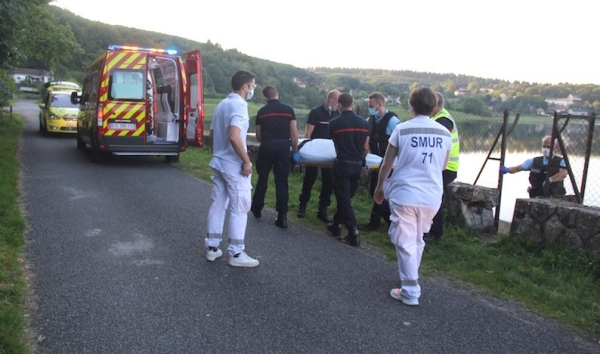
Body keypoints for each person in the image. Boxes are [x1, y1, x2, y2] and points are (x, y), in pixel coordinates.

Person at [374, 86, 452, 306]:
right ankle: (410, 278)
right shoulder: (444, 133)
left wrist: (380, 187)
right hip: (432, 195)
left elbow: (387, 163)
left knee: (404, 240)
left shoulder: (402, 129)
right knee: (417, 239)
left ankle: (410, 290)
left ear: (411, 104)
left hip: (405, 192)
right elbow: (444, 165)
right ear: (433, 106)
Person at [205, 70, 259, 268]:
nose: (253, 89)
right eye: (252, 86)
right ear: (245, 86)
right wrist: (246, 161)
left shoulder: (222, 104)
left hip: (219, 162)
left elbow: (211, 134)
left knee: (218, 204)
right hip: (233, 165)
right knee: (240, 207)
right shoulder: (240, 105)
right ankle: (236, 253)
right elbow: (234, 136)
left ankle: (212, 247)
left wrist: (216, 153)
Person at [251, 85, 300, 229]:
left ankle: (257, 208)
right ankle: (282, 216)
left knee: (263, 178)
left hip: (267, 146)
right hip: (283, 146)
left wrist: (266, 142)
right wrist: (295, 151)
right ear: (277, 94)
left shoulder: (261, 112)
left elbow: (258, 135)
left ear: (266, 97)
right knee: (281, 181)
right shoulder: (289, 110)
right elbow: (294, 133)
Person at [327, 93, 370, 246]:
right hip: (357, 164)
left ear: (339, 104)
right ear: (352, 103)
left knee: (343, 198)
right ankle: (337, 225)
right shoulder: (364, 123)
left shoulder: (334, 123)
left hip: (342, 163)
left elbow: (333, 142)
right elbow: (366, 147)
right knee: (344, 197)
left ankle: (353, 232)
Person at [297, 90, 341, 223]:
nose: (338, 105)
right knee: (309, 178)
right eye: (337, 102)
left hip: (329, 155)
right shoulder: (315, 112)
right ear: (331, 100)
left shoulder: (337, 114)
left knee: (329, 181)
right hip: (315, 154)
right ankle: (302, 205)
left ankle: (322, 209)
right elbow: (308, 133)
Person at [359, 92, 400, 232]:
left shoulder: (392, 121)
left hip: (389, 163)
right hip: (376, 162)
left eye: (371, 106)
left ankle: (377, 223)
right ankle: (389, 221)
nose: (369, 108)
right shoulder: (371, 119)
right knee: (374, 191)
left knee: (379, 191)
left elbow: (400, 144)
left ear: (380, 105)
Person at [426, 91, 460, 241]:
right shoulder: (437, 118)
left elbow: (436, 142)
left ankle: (435, 232)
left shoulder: (444, 120)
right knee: (432, 197)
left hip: (446, 168)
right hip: (441, 166)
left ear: (435, 104)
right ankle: (430, 229)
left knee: (434, 199)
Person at [500, 135, 568, 198]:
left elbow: (563, 174)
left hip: (554, 197)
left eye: (548, 147)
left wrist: (550, 180)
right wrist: (507, 170)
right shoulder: (534, 161)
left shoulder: (561, 161)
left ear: (555, 147)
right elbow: (518, 168)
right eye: (544, 146)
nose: (545, 149)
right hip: (536, 196)